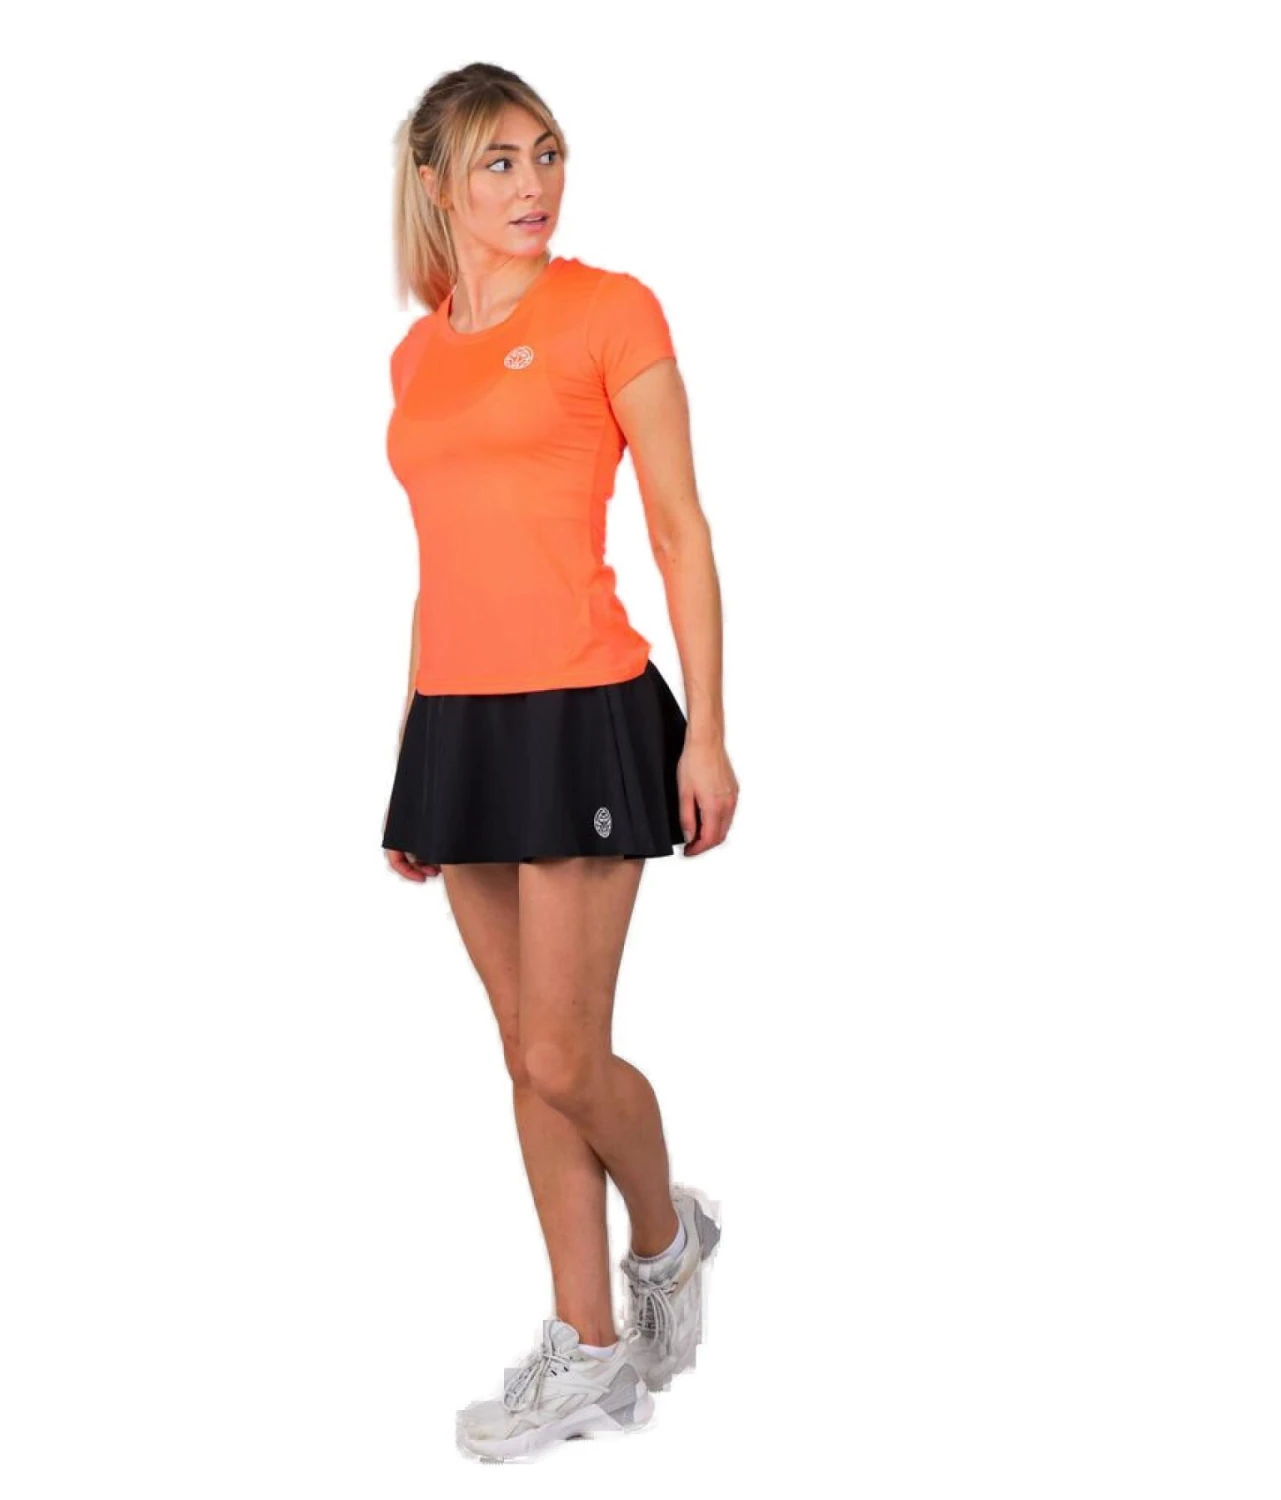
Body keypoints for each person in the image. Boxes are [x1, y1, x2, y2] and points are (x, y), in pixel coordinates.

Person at [381, 63, 738, 1464]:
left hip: (583, 704)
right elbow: (441, 565)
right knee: (520, 1058)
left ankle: (667, 1239)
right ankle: (588, 1352)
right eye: (498, 163)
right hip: (460, 721)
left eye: (547, 155)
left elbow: (681, 528)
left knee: (561, 1052)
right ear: (434, 184)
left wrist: (708, 727)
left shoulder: (610, 310)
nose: (533, 186)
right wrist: (413, 744)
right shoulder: (417, 357)